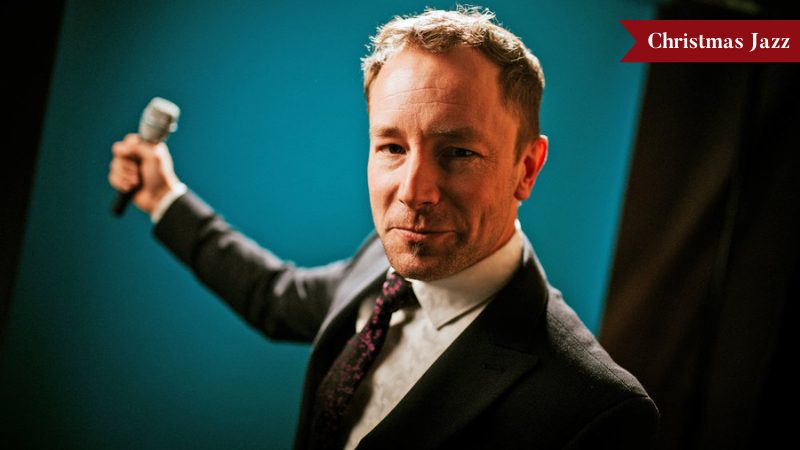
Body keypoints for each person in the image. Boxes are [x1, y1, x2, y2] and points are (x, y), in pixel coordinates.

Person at [108, 7, 658, 450]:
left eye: (459, 152)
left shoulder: (595, 412)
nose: (414, 192)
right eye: (392, 147)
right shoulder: (383, 260)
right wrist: (162, 197)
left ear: (526, 169)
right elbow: (275, 296)